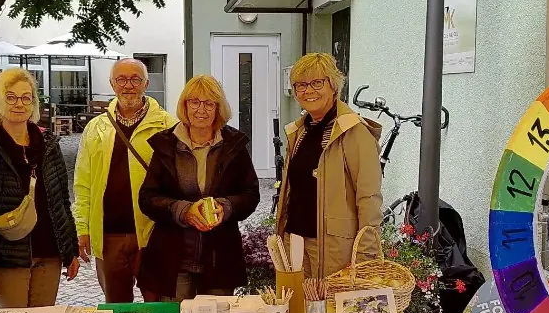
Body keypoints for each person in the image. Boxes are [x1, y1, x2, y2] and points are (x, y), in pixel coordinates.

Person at [138, 76, 260, 300]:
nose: (201, 110)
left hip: (219, 257)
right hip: (175, 258)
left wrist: (225, 207)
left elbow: (250, 194)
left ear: (218, 108)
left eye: (209, 103)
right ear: (185, 106)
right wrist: (183, 211)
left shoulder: (233, 145)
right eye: (194, 102)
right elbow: (147, 198)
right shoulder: (167, 144)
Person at [73, 58, 177, 303]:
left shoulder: (167, 126)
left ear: (146, 84)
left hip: (153, 234)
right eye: (121, 79)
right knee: (117, 308)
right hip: (109, 235)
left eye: (135, 79)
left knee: (158, 306)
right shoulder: (96, 128)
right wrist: (82, 228)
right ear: (112, 84)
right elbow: (83, 183)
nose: (128, 85)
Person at [0, 68, 79, 308]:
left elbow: (62, 200)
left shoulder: (49, 145)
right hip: (9, 257)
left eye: (26, 97)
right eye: (11, 97)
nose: (19, 104)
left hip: (49, 252)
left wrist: (70, 249)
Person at [275, 52, 383, 279]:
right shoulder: (300, 131)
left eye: (317, 83)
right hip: (294, 241)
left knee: (330, 303)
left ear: (333, 86)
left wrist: (365, 256)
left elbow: (369, 198)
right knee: (295, 301)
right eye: (301, 85)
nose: (308, 91)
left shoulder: (354, 132)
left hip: (333, 249)